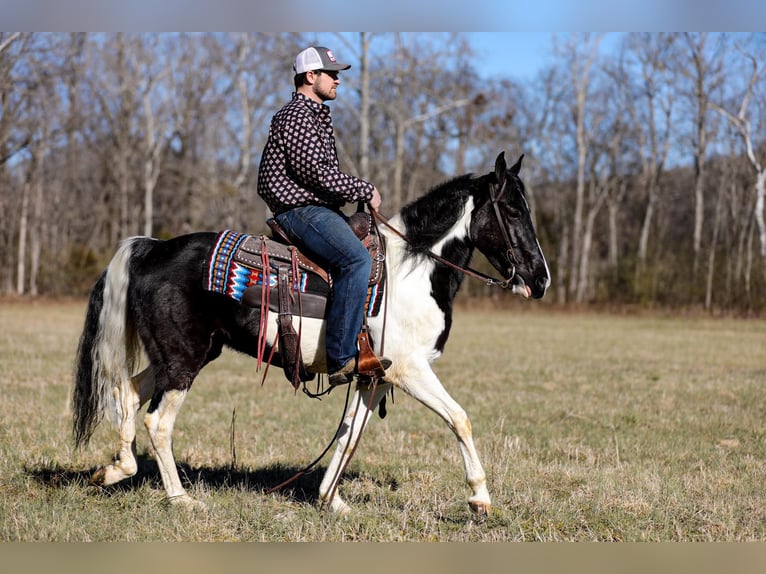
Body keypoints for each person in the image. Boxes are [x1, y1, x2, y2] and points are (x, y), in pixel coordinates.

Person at [257, 46, 390, 386]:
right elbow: (315, 172)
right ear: (310, 77)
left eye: (338, 74)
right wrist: (363, 189)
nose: (338, 80)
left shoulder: (315, 115)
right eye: (331, 74)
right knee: (357, 261)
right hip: (300, 211)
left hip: (316, 208)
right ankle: (342, 357)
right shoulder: (297, 115)